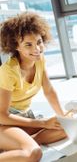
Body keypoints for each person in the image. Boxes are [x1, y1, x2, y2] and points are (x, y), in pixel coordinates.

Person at [0, 12, 66, 161]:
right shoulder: (8, 71)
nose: (37, 49)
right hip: (4, 123)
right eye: (28, 44)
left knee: (67, 128)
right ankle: (21, 146)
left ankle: (17, 145)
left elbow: (48, 90)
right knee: (33, 153)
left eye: (39, 42)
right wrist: (43, 123)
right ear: (16, 46)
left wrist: (63, 116)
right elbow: (2, 115)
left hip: (23, 118)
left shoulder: (39, 60)